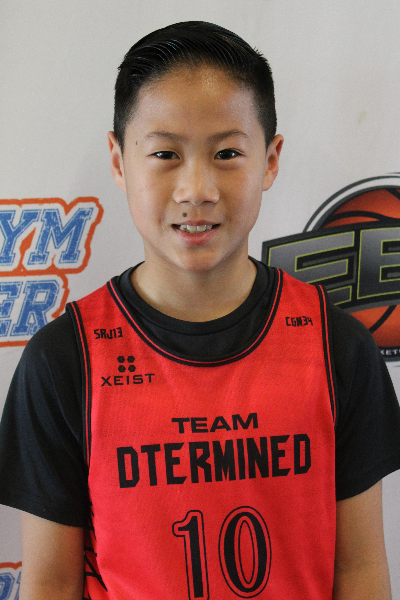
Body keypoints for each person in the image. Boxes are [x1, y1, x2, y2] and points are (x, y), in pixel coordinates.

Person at [0, 21, 399, 600]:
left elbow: (360, 572)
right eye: (165, 153)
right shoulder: (65, 361)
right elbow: (51, 583)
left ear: (270, 160)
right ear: (119, 160)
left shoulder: (337, 348)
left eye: (227, 153)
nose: (197, 189)